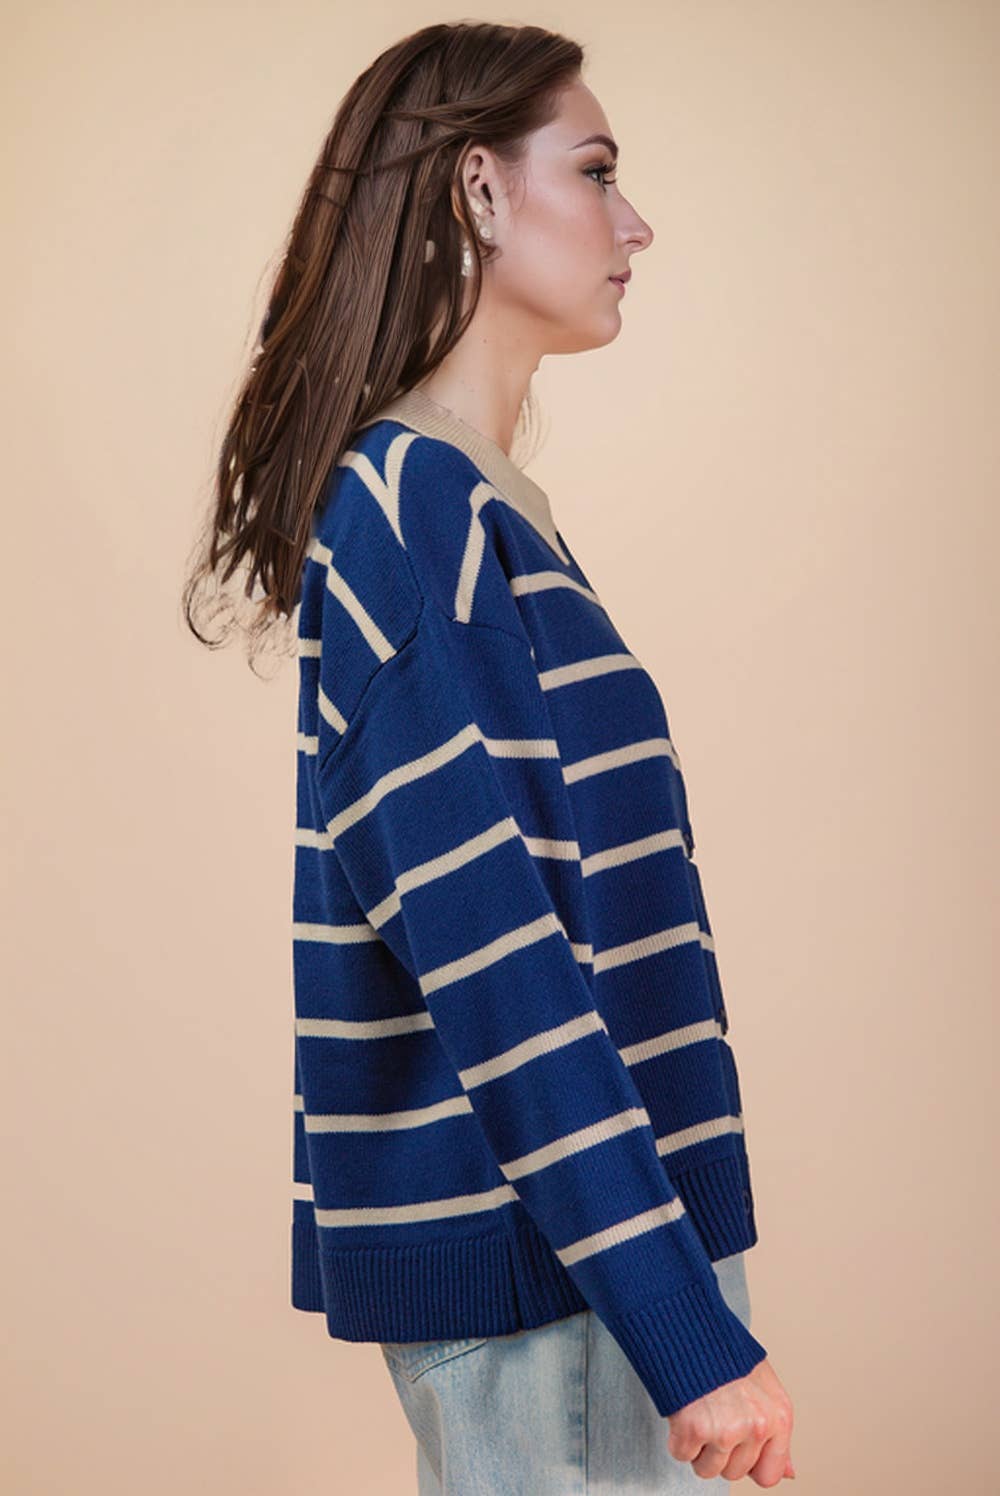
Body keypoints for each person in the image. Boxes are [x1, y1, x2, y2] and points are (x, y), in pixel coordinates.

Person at [184, 20, 796, 1492]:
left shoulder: (478, 510)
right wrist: (680, 1325)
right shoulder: (411, 514)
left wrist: (679, 1282)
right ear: (475, 188)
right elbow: (495, 953)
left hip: (599, 1264)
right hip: (560, 1289)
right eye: (597, 171)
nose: (635, 224)